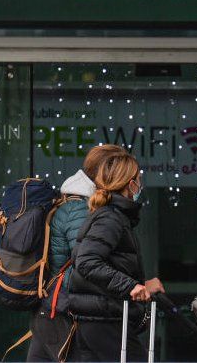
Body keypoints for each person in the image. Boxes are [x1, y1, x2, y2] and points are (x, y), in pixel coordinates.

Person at [26, 145, 125, 361]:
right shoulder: (78, 209)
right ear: (104, 174)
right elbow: (84, 264)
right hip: (63, 312)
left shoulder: (77, 204)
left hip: (53, 311)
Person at [66, 146, 164, 362]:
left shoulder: (111, 216)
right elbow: (88, 262)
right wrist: (131, 286)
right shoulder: (111, 218)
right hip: (106, 322)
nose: (140, 184)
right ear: (131, 184)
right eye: (138, 178)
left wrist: (142, 285)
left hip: (100, 319)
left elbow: (107, 266)